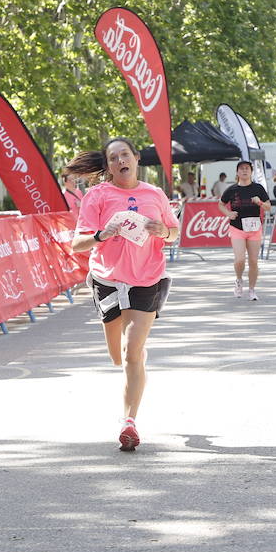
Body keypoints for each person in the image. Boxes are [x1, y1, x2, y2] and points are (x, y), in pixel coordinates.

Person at [69, 138, 181, 452]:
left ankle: (129, 421)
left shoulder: (154, 194)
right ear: (108, 166)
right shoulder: (98, 195)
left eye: (125, 154)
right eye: (114, 157)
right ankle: (136, 359)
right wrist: (102, 234)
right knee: (119, 356)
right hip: (107, 279)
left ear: (136, 158)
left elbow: (174, 231)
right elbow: (77, 243)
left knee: (131, 351)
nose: (121, 160)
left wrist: (163, 231)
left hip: (146, 279)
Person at [220, 160, 272, 299]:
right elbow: (220, 204)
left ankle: (252, 289)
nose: (244, 171)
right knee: (240, 259)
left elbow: (268, 207)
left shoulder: (258, 188)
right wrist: (229, 214)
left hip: (254, 228)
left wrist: (259, 202)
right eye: (242, 169)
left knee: (253, 261)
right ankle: (238, 280)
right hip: (237, 227)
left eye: (247, 168)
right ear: (237, 172)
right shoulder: (232, 189)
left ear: (251, 171)